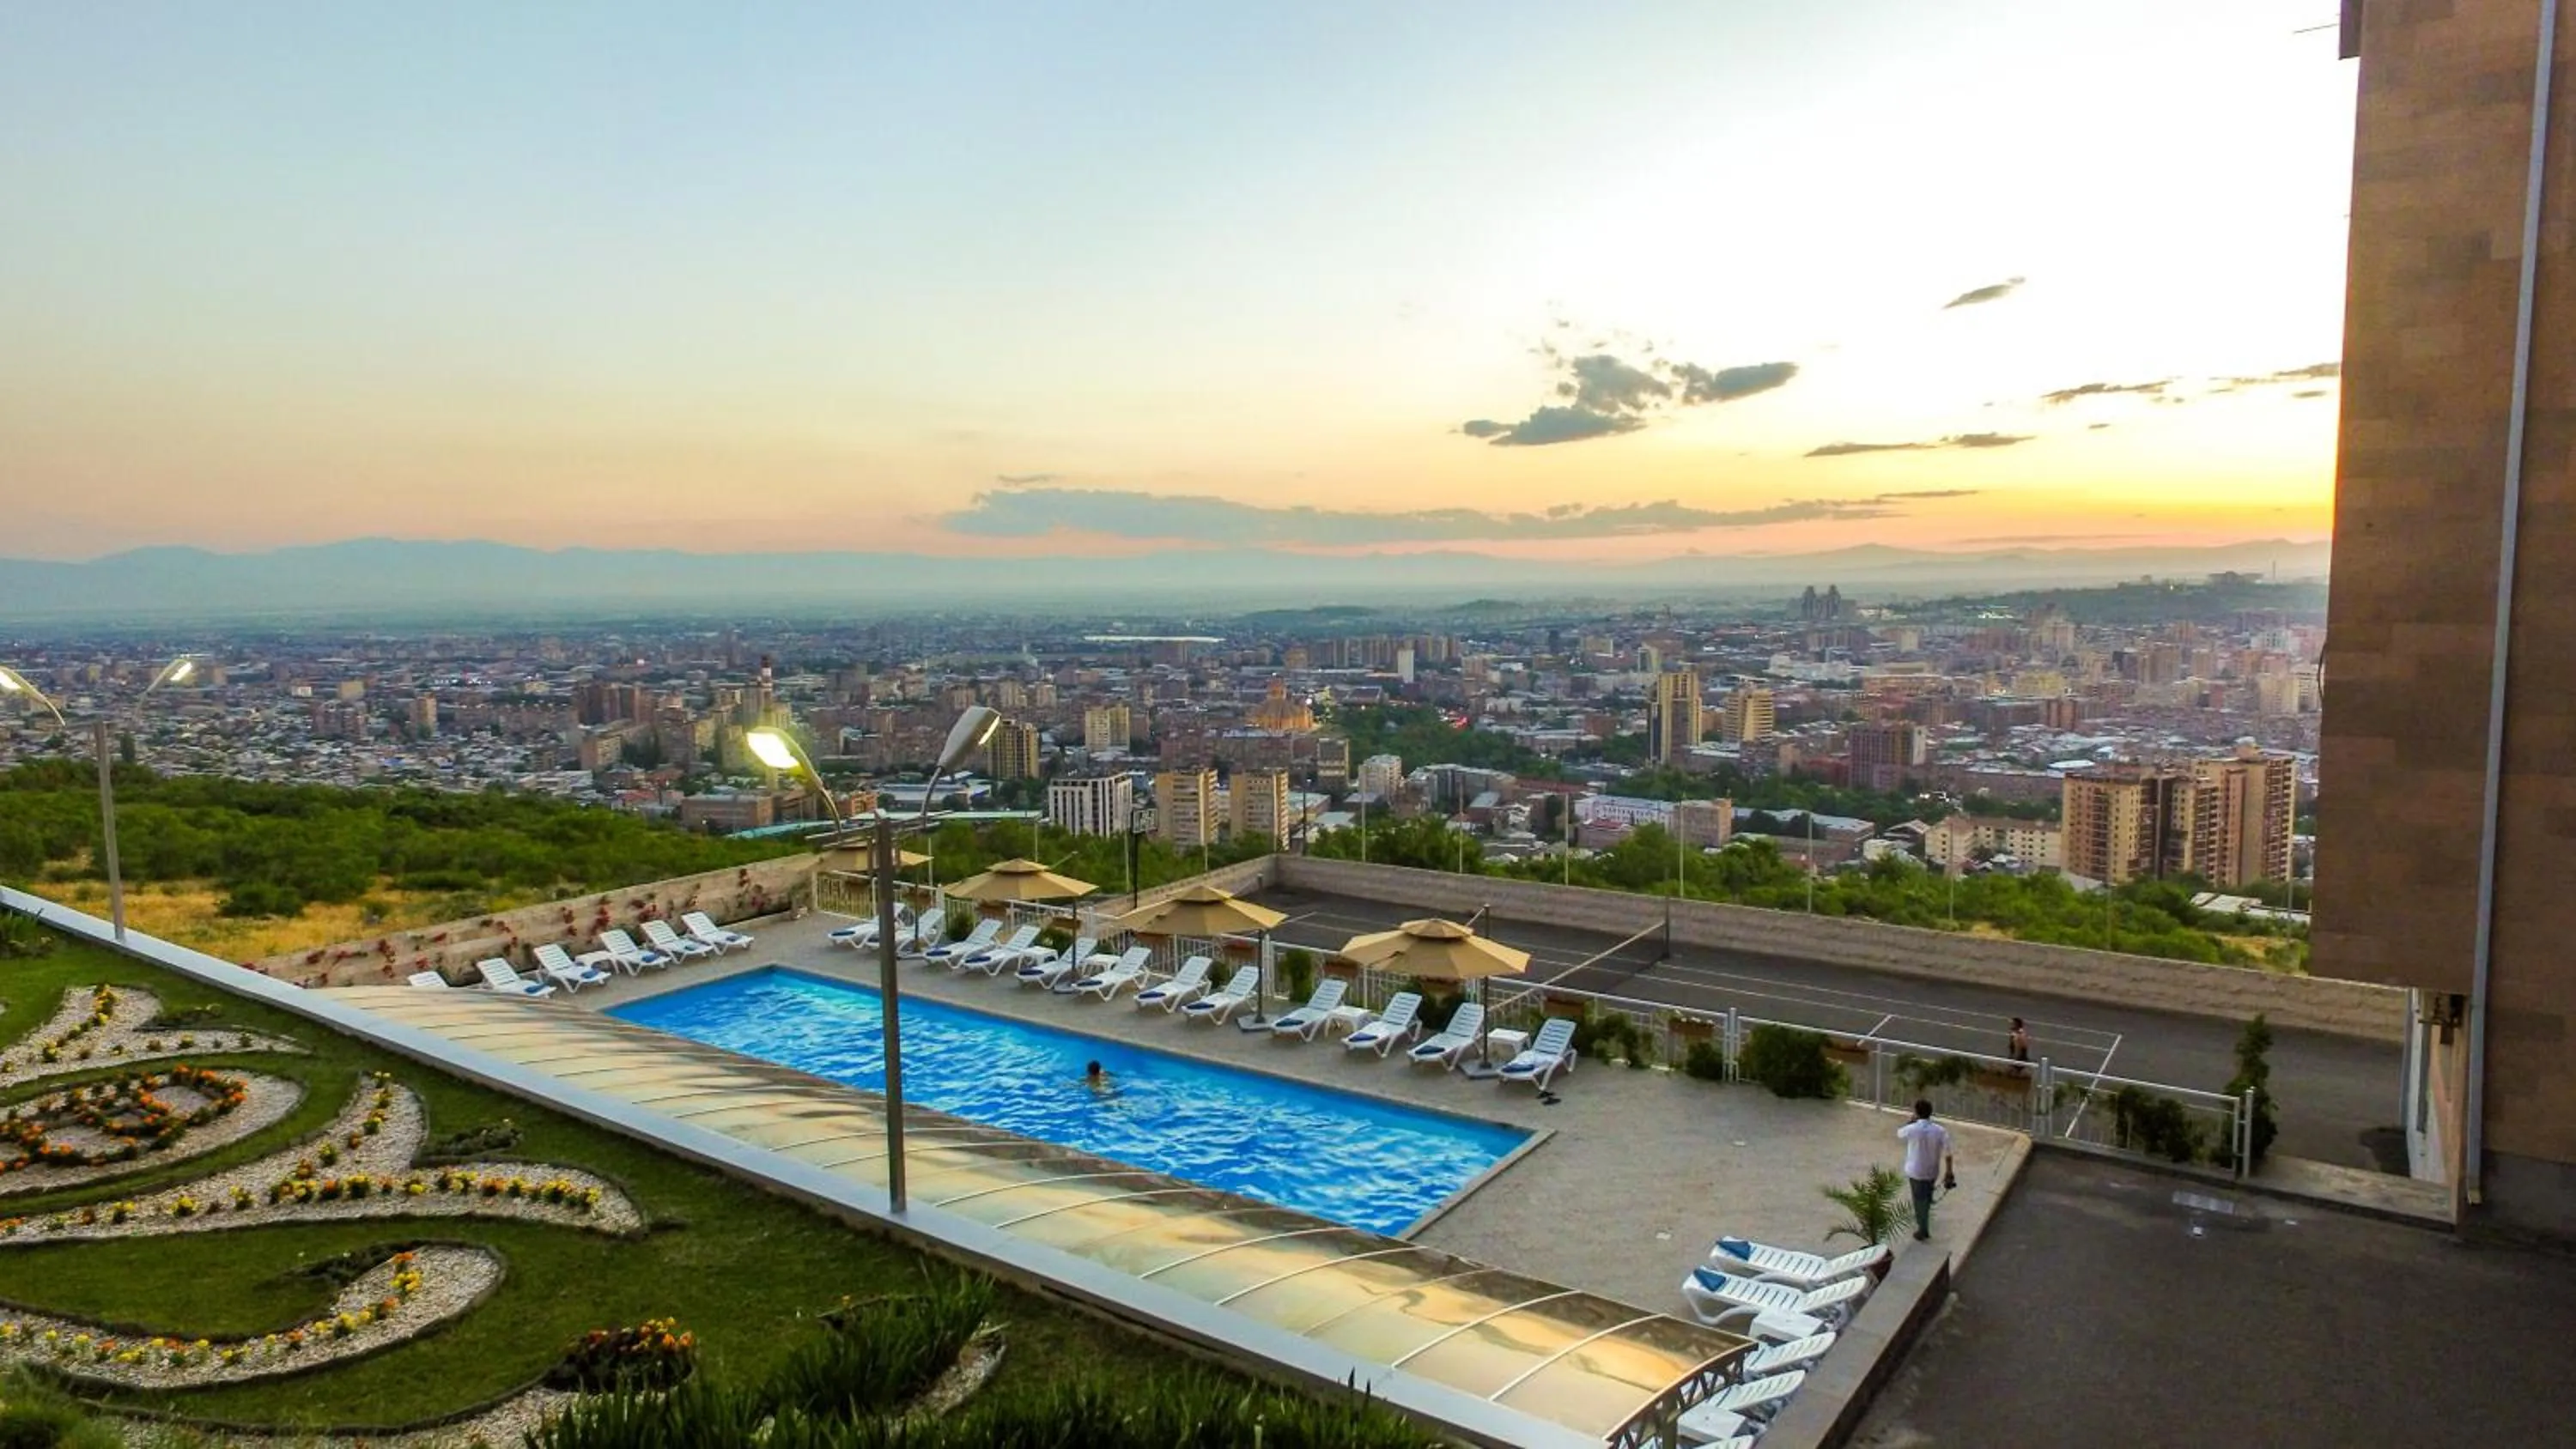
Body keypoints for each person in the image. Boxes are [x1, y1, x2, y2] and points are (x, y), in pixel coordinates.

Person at [1898, 1099, 1955, 1241]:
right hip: (1932, 1171)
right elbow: (1948, 1153)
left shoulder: (1912, 1129)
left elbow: (1900, 1134)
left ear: (1916, 1112)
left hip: (1915, 1171)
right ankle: (1924, 1217)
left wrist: (1911, 1122)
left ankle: (1923, 1229)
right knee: (1926, 1194)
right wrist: (1949, 1171)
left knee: (1919, 1200)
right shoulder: (1940, 1130)